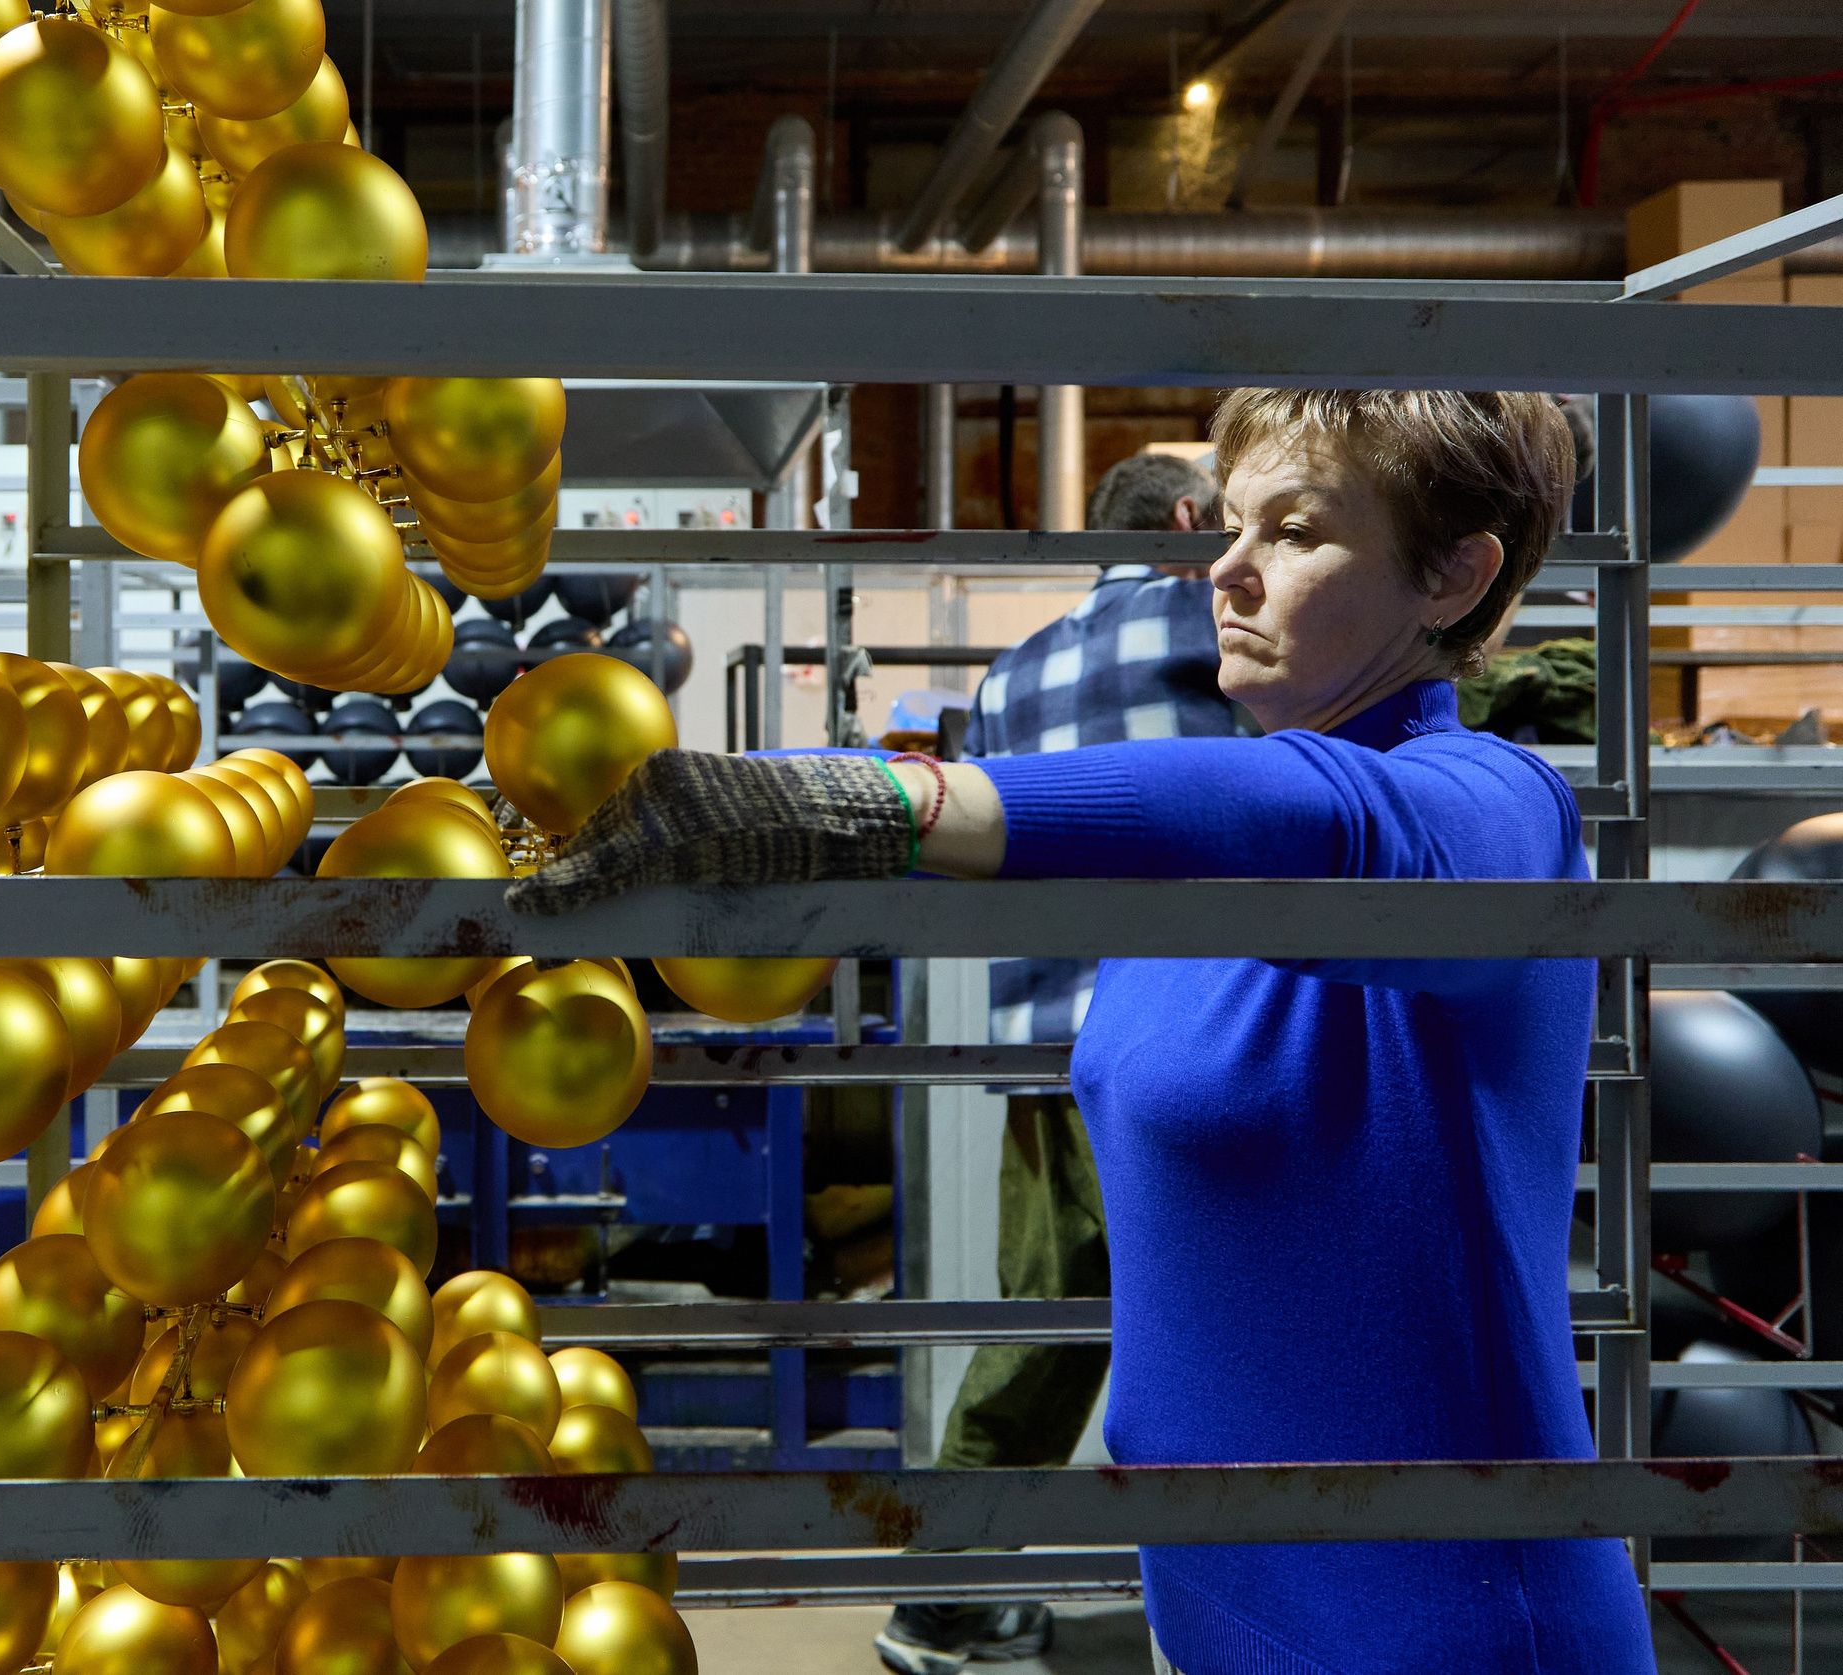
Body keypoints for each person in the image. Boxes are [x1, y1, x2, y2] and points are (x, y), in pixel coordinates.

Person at [511, 390, 1651, 1675]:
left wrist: (873, 800)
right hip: (1212, 1600)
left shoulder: (1499, 811)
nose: (1228, 567)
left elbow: (1322, 823)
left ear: (1453, 576)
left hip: (1444, 1618)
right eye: (1231, 525)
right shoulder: (1188, 871)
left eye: (1293, 531)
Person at [870, 451, 1239, 1672]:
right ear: (1187, 521)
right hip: (1191, 1039)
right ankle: (1233, 1612)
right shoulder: (1208, 619)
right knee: (1225, 1328)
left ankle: (942, 1603)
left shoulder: (1009, 671)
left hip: (1050, 1053)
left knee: (1043, 1327)